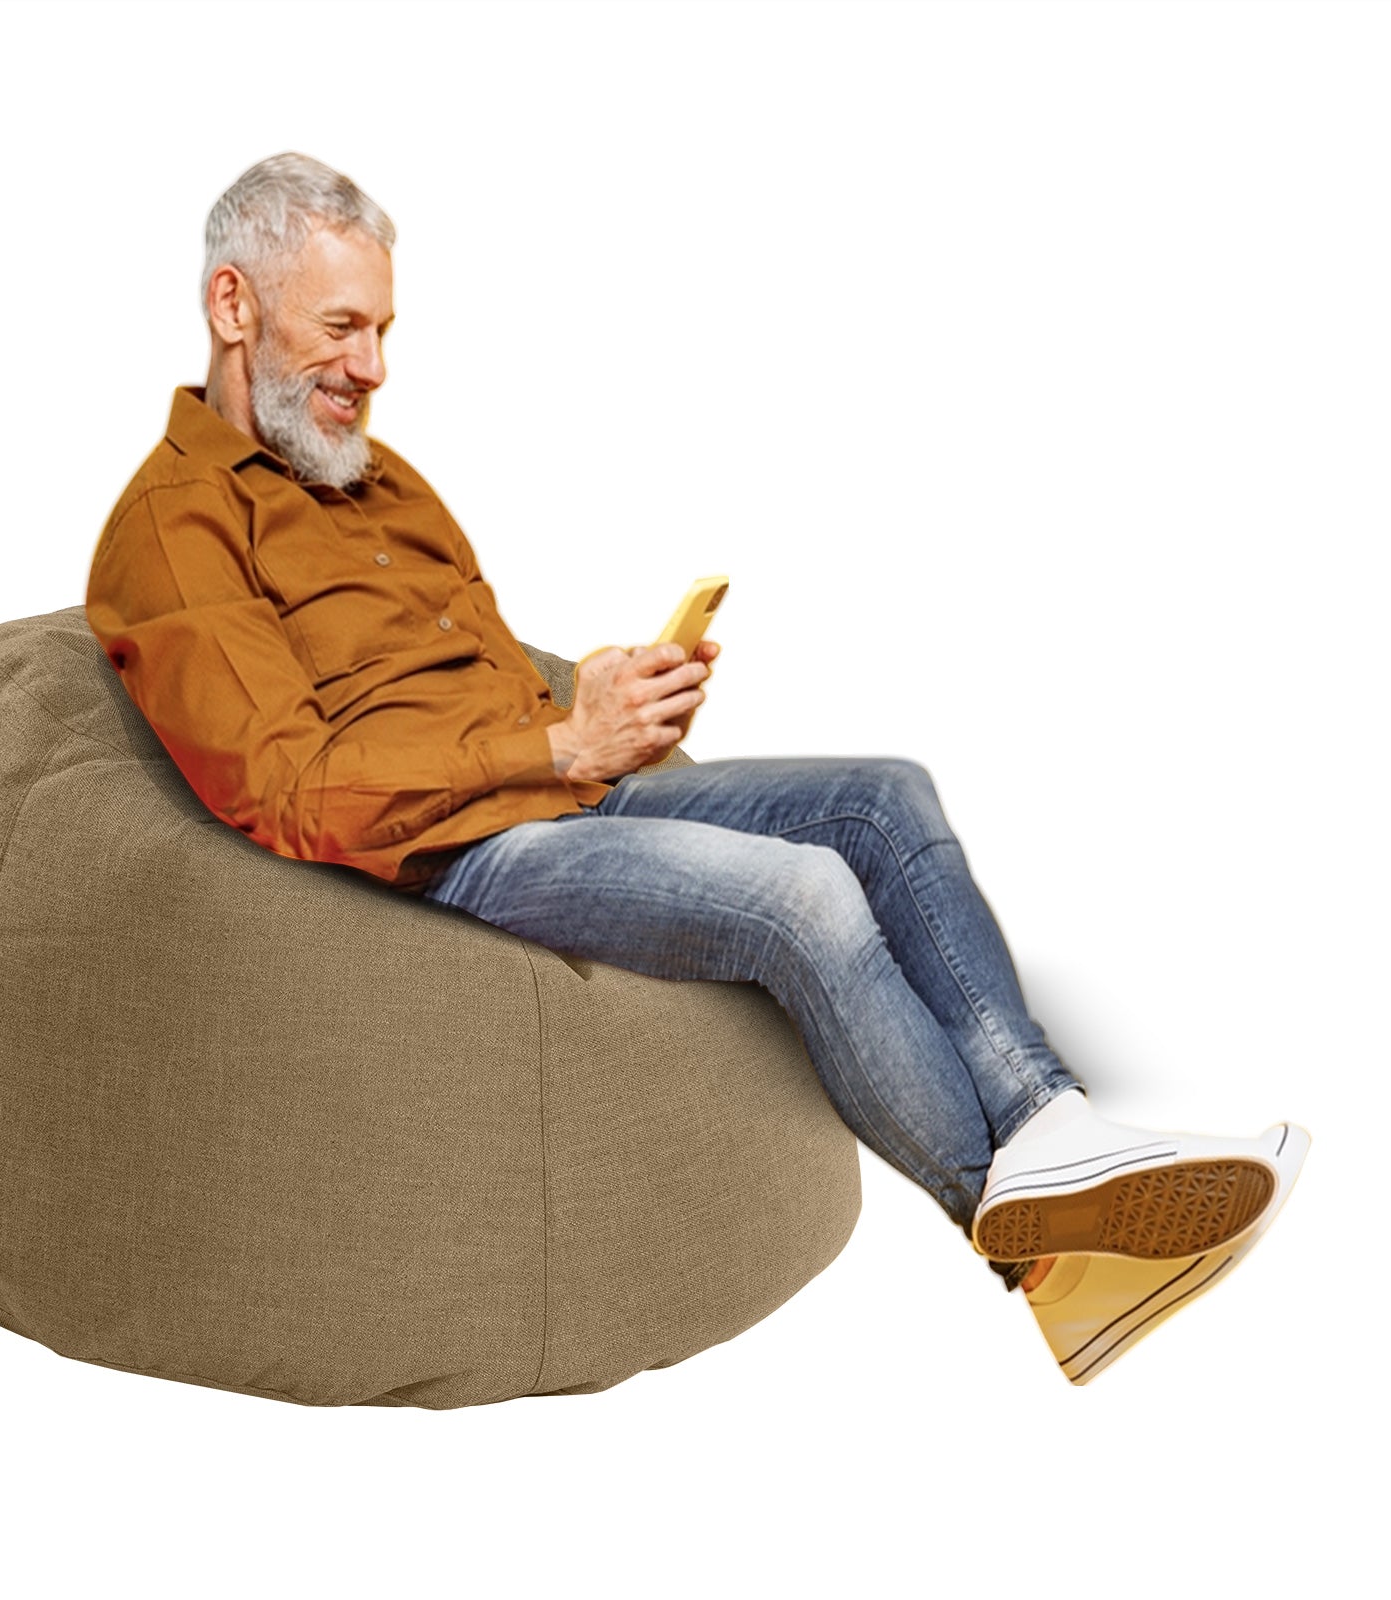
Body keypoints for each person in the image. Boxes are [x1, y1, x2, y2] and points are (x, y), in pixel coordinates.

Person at [85, 153, 1308, 1385]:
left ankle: (1052, 1126)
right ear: (233, 305)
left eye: (385, 330)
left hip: (562, 781)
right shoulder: (177, 527)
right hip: (456, 849)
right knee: (803, 895)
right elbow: (289, 787)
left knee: (882, 797)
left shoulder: (376, 479)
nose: (374, 367)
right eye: (343, 326)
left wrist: (604, 694)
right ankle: (1044, 1255)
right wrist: (558, 743)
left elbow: (476, 673)